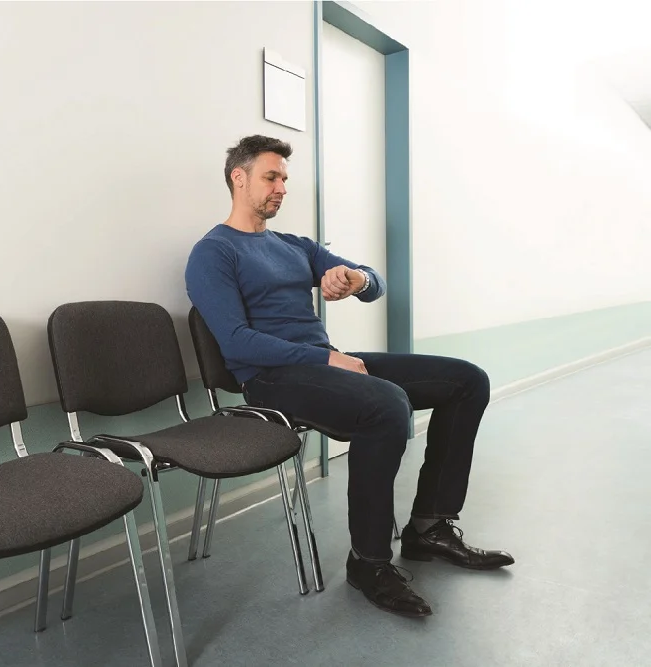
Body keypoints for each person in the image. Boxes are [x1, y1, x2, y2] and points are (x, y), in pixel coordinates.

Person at [184, 135, 514, 618]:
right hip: (270, 376)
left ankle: (428, 528)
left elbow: (373, 282)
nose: (281, 188)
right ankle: (369, 561)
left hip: (321, 360)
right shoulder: (213, 252)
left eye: (284, 179)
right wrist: (327, 360)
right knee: (385, 405)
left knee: (468, 380)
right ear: (239, 177)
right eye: (271, 177)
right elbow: (235, 342)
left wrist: (355, 279)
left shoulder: (294, 245)